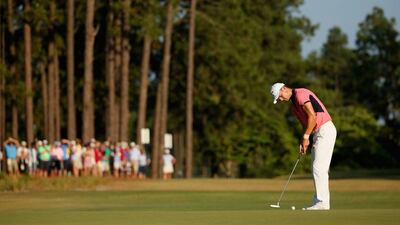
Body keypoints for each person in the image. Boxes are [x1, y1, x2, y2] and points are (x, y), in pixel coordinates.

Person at [270, 82, 337, 210]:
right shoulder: (294, 107)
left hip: (325, 129)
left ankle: (322, 203)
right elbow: (306, 124)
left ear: (284, 89)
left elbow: (312, 116)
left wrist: (306, 137)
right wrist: (303, 140)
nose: (280, 99)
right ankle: (319, 201)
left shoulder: (301, 94)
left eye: (279, 96)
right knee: (316, 167)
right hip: (318, 132)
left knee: (319, 168)